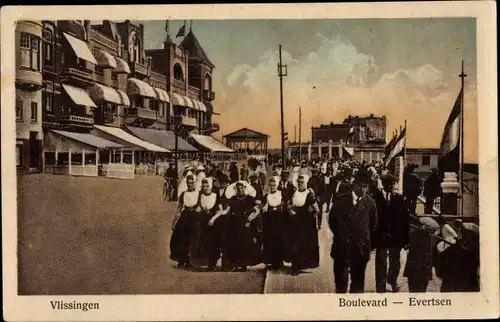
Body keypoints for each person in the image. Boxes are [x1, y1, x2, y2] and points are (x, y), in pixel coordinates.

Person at [329, 171, 378, 293]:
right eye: (360, 186)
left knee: (358, 284)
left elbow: (373, 225)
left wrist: (362, 237)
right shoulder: (340, 201)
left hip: (360, 248)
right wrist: (341, 236)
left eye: (365, 187)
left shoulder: (371, 203)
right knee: (341, 281)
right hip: (342, 247)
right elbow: (332, 221)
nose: (362, 189)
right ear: (354, 185)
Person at [372, 174, 410, 293]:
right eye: (388, 184)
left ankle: (392, 281)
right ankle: (381, 286)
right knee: (381, 261)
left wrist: (406, 239)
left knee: (395, 261)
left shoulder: (399, 199)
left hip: (395, 236)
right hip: (381, 236)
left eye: (392, 184)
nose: (391, 186)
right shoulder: (375, 199)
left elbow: (405, 219)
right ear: (383, 184)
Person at [223, 181, 262, 271]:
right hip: (235, 223)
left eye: (241, 188)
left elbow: (257, 209)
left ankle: (244, 265)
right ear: (236, 189)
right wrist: (221, 213)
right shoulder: (233, 199)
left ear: (245, 188)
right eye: (238, 188)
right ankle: (236, 264)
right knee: (235, 244)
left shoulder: (249, 198)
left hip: (245, 224)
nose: (240, 190)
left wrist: (250, 219)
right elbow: (227, 209)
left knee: (244, 244)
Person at [286, 174, 320, 276]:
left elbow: (317, 210)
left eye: (302, 182)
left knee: (302, 245)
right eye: (298, 182)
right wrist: (290, 210)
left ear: (305, 183)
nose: (300, 184)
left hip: (305, 224)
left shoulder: (309, 194)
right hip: (294, 222)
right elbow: (289, 205)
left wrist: (311, 215)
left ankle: (297, 267)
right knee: (294, 244)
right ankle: (295, 266)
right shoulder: (294, 193)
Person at [189, 178, 220, 269]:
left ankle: (212, 263)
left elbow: (220, 209)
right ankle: (200, 263)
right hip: (202, 221)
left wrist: (213, 218)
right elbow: (197, 206)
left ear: (211, 187)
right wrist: (198, 209)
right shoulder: (200, 195)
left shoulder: (215, 195)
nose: (206, 188)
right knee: (200, 241)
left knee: (212, 242)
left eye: (207, 186)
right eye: (204, 186)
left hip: (212, 222)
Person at [403, 215, 440, 292]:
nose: (433, 232)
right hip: (421, 272)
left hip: (416, 271)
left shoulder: (415, 235)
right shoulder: (427, 239)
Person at [170, 175, 198, 268]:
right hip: (185, 216)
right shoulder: (183, 194)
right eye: (188, 183)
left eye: (192, 183)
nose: (190, 185)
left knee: (193, 239)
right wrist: (174, 222)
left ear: (195, 183)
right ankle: (182, 259)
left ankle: (191, 261)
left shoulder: (199, 194)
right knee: (181, 238)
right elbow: (179, 209)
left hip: (195, 216)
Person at [261, 176, 286, 270]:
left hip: (279, 221)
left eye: (274, 185)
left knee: (279, 241)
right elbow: (261, 206)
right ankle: (270, 261)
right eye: (270, 185)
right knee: (269, 241)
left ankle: (279, 262)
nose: (272, 187)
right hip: (269, 222)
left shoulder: (281, 194)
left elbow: (286, 204)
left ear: (277, 185)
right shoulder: (266, 196)